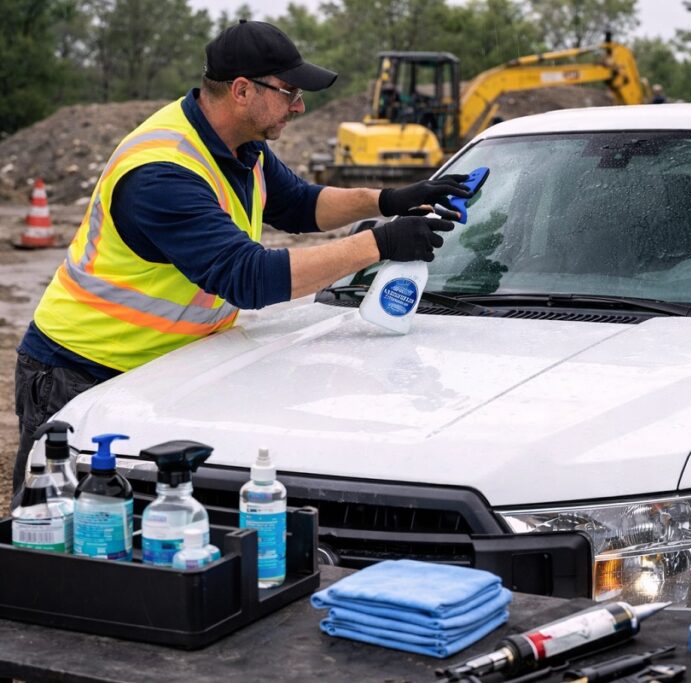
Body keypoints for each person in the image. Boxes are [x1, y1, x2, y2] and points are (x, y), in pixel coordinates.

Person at [10, 19, 471, 508]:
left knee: (154, 527)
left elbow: (298, 203)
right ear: (243, 91)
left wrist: (389, 199)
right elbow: (248, 278)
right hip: (79, 374)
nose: (300, 105)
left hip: (164, 370)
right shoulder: (162, 172)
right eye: (289, 91)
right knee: (54, 532)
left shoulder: (240, 147)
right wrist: (379, 246)